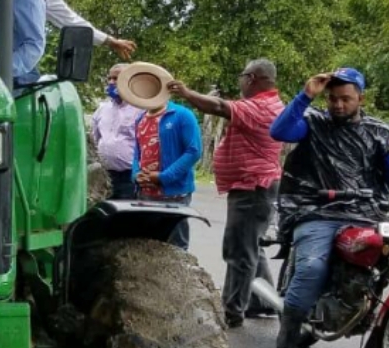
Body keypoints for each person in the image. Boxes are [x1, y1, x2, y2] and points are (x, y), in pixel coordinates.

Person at [269, 68, 389, 348]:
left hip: (367, 213)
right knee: (310, 268)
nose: (338, 105)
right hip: (317, 209)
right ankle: (286, 346)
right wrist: (306, 94)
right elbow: (279, 131)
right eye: (333, 98)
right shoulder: (312, 121)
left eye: (345, 99)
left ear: (360, 98)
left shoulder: (379, 132)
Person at [168, 59, 285, 328]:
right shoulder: (269, 104)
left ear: (252, 78)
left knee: (238, 251)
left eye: (242, 76)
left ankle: (232, 311)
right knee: (250, 246)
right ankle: (262, 302)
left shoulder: (260, 106)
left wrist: (186, 93)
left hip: (253, 186)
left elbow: (219, 106)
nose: (239, 82)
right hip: (256, 185)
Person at [125, 63, 203, 250]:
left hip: (174, 192)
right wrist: (136, 174)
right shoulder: (140, 119)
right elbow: (138, 152)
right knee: (148, 242)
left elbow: (193, 151)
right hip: (145, 192)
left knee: (176, 243)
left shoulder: (182, 115)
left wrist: (163, 177)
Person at [92, 64, 140, 198]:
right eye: (110, 78)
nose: (112, 82)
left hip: (129, 177)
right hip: (104, 175)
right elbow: (94, 139)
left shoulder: (140, 110)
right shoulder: (102, 109)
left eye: (116, 78)